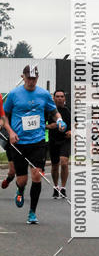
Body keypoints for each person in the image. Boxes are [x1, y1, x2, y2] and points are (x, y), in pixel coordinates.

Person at [3, 65, 65, 224]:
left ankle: (32, 212)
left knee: (37, 176)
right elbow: (4, 117)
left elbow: (53, 111)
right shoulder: (14, 94)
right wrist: (10, 132)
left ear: (37, 78)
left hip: (37, 142)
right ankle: (20, 189)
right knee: (22, 180)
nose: (31, 81)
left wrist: (59, 120)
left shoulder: (43, 94)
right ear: (23, 77)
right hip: (18, 142)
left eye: (34, 78)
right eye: (28, 78)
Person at [47, 89, 71, 198]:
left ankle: (63, 188)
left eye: (62, 96)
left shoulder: (69, 110)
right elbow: (39, 124)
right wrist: (49, 126)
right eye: (57, 96)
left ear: (64, 98)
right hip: (53, 140)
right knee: (55, 165)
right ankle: (56, 187)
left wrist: (72, 131)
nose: (60, 98)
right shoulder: (48, 110)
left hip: (65, 140)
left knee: (64, 162)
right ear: (54, 98)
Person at [0, 91, 16, 189]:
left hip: (27, 141)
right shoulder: (7, 111)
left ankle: (20, 190)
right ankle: (8, 179)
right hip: (10, 141)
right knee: (12, 172)